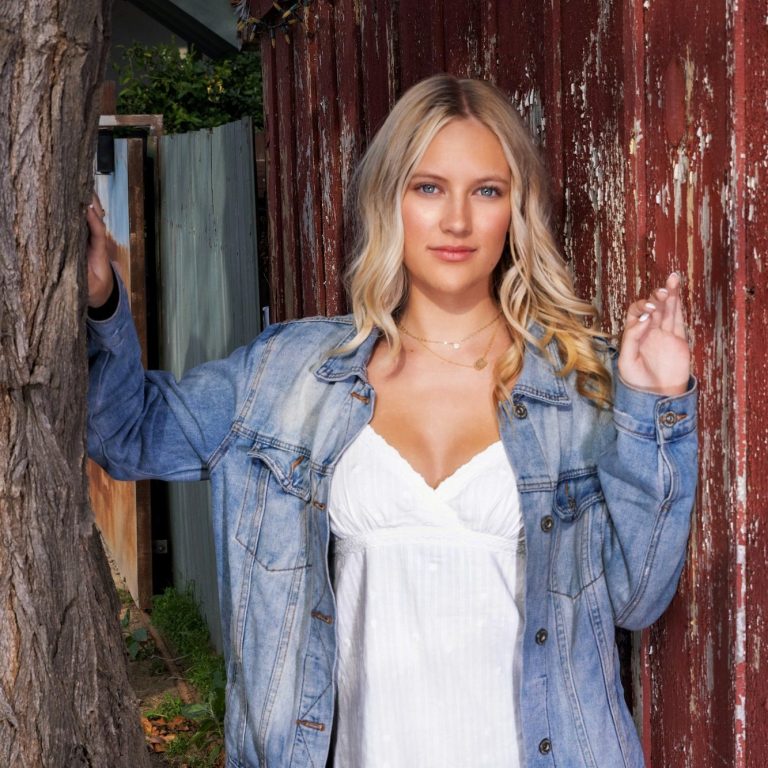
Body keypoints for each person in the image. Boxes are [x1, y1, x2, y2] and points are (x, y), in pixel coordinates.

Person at [86, 74, 697, 768]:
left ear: (516, 210)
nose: (457, 220)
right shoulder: (289, 377)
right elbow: (125, 433)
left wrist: (654, 403)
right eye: (428, 187)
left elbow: (639, 598)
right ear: (389, 198)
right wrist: (102, 302)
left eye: (486, 191)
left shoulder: (579, 387)